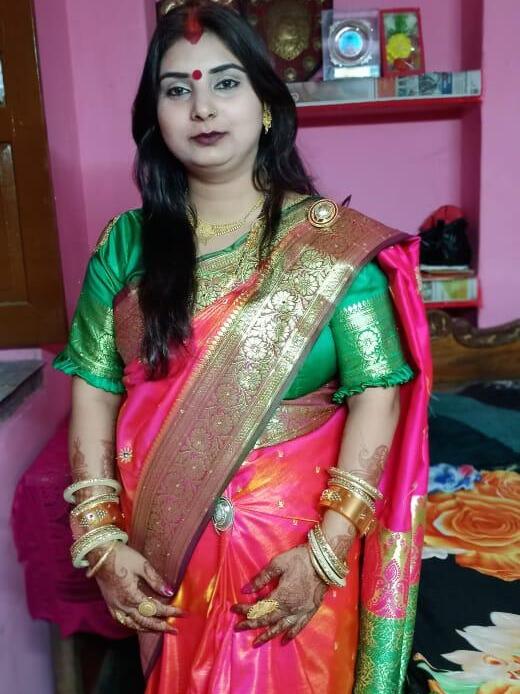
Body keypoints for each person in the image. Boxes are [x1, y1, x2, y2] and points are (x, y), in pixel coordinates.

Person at [53, 2, 432, 692]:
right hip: (168, 551)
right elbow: (95, 388)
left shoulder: (335, 249)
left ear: (265, 105)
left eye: (226, 83)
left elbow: (377, 397)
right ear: (155, 117)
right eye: (177, 90)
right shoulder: (126, 246)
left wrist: (326, 551)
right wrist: (100, 539)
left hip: (295, 558)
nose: (202, 107)